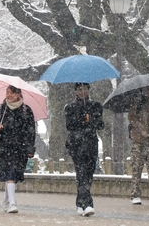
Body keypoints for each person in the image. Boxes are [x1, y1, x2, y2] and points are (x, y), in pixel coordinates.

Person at [0, 85, 36, 214]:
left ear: (19, 94)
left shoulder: (26, 110)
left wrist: (30, 148)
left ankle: (6, 200)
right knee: (10, 174)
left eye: (12, 93)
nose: (9, 95)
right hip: (4, 147)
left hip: (20, 148)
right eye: (7, 92)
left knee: (13, 175)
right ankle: (12, 203)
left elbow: (31, 131)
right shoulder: (0, 109)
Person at [64, 82, 104, 217]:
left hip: (91, 143)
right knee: (81, 172)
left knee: (89, 173)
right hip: (77, 144)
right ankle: (88, 204)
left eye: (85, 89)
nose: (82, 92)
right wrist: (82, 118)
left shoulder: (96, 106)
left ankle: (79, 202)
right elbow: (69, 125)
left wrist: (91, 118)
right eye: (80, 89)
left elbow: (101, 124)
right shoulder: (70, 107)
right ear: (75, 91)